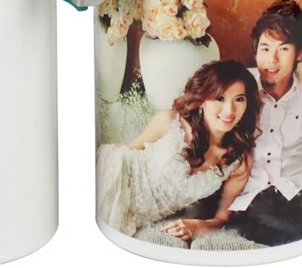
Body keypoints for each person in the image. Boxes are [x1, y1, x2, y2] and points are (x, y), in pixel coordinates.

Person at [96, 60, 261, 241]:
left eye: (239, 99)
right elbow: (125, 154)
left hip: (136, 216)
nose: (229, 110)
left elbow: (222, 218)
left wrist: (200, 225)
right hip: (111, 176)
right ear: (202, 100)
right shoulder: (170, 122)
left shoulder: (238, 162)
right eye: (220, 98)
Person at [228, 0, 302, 246]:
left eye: (283, 49)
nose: (272, 59)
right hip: (255, 201)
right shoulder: (240, 88)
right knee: (269, 221)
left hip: (299, 192)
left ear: (300, 52)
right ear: (255, 50)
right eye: (265, 48)